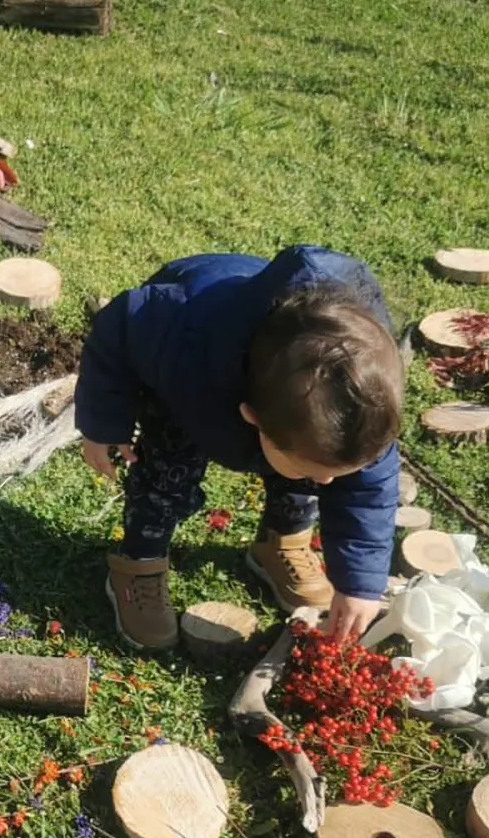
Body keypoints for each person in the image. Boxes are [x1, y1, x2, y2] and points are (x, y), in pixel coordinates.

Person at [75, 245, 403, 650]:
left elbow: (369, 492)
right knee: (165, 473)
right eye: (317, 469)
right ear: (252, 419)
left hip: (266, 373)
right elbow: (119, 327)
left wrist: (361, 583)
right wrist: (103, 423)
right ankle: (140, 561)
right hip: (188, 376)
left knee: (302, 469)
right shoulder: (176, 333)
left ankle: (281, 540)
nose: (329, 481)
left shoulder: (360, 413)